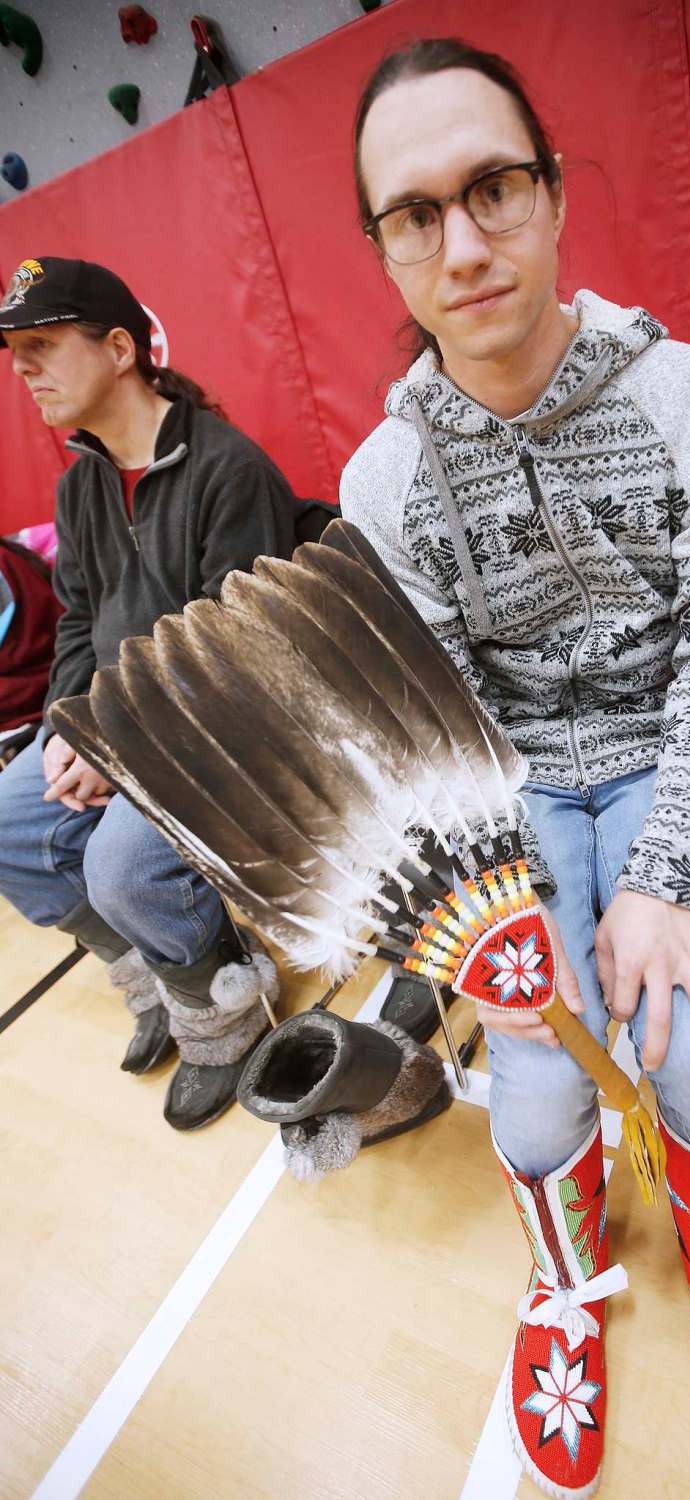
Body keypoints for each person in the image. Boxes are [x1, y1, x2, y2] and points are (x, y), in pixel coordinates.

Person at [339, 39, 690, 1500]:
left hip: (669, 750)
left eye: (493, 187)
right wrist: (503, 922)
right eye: (414, 213)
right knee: (539, 1070)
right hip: (512, 795)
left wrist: (665, 880)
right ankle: (563, 1288)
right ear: (385, 249)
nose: (464, 240)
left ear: (554, 195)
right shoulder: (384, 483)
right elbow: (439, 724)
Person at [0, 256, 289, 1131]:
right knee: (10, 823)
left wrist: (110, 749)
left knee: (117, 866)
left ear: (120, 347)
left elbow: (232, 664)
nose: (22, 369)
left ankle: (225, 1000)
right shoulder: (79, 484)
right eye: (15, 352)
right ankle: (169, 977)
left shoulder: (229, 471)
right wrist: (65, 725)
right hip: (122, 732)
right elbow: (81, 623)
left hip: (222, 735)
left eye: (42, 344)